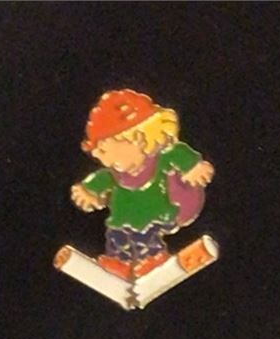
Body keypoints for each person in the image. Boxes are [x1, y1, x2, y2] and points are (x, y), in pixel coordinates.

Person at [70, 89, 213, 279]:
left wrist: (193, 168)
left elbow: (178, 153)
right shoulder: (114, 174)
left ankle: (152, 259)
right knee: (117, 238)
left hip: (155, 215)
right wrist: (88, 192)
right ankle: (120, 262)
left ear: (136, 139)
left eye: (103, 151)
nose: (98, 157)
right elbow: (100, 180)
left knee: (144, 238)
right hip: (122, 219)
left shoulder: (161, 160)